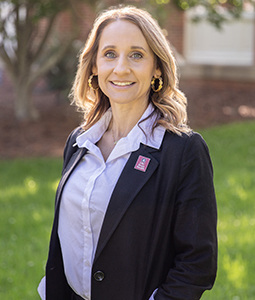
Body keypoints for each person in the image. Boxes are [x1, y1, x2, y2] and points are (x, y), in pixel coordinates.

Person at [38, 5, 217, 300]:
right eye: (109, 54)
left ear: (156, 67)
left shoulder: (183, 151)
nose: (121, 68)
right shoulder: (79, 142)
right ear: (94, 65)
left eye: (136, 54)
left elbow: (197, 263)